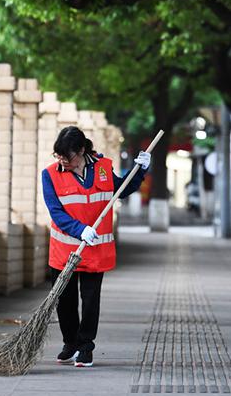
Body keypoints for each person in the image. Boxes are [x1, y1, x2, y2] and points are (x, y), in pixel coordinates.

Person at [42, 125, 150, 368]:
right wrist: (80, 230)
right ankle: (70, 343)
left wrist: (140, 170)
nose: (62, 160)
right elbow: (56, 212)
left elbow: (122, 189)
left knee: (90, 300)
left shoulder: (102, 168)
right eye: (58, 155)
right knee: (65, 300)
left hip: (95, 251)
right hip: (65, 250)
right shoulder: (50, 174)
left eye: (66, 156)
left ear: (81, 150)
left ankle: (85, 346)